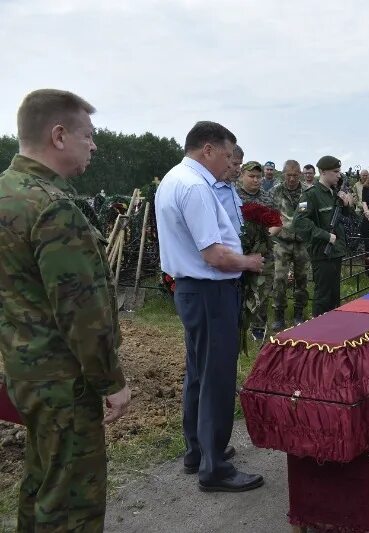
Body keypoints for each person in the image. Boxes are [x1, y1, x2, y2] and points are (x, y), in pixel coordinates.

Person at [0, 89, 131, 530]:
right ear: (59, 135)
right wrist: (110, 380)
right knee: (73, 501)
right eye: (88, 135)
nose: (93, 145)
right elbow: (83, 313)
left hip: (23, 371)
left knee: (42, 485)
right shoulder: (54, 207)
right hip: (65, 381)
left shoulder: (7, 193)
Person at [155, 121, 265, 492]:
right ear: (208, 149)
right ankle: (214, 467)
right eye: (227, 154)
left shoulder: (174, 179)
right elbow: (216, 255)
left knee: (199, 373)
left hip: (192, 290)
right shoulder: (196, 187)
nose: (229, 162)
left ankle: (197, 450)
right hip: (210, 291)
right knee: (216, 378)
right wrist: (250, 262)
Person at [293, 155, 355, 316]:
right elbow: (299, 222)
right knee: (323, 296)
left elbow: (346, 217)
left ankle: (332, 329)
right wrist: (325, 236)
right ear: (322, 172)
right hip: (322, 251)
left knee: (334, 294)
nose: (338, 175)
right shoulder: (310, 195)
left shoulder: (334, 193)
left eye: (339, 171)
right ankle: (318, 332)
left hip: (336, 250)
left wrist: (347, 205)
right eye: (335, 171)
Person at [235, 160, 278, 340]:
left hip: (263, 251)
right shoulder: (234, 195)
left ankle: (258, 326)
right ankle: (236, 322)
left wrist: (263, 237)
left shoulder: (268, 197)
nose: (256, 180)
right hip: (239, 250)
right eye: (251, 176)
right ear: (242, 176)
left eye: (258, 177)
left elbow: (277, 223)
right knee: (238, 288)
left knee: (262, 289)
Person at [268, 160, 310, 330]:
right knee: (279, 279)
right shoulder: (275, 191)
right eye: (288, 175)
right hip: (281, 242)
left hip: (302, 242)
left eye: (295, 175)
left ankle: (299, 312)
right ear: (283, 174)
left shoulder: (308, 191)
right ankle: (279, 314)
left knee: (302, 279)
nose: (292, 178)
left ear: (300, 174)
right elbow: (268, 212)